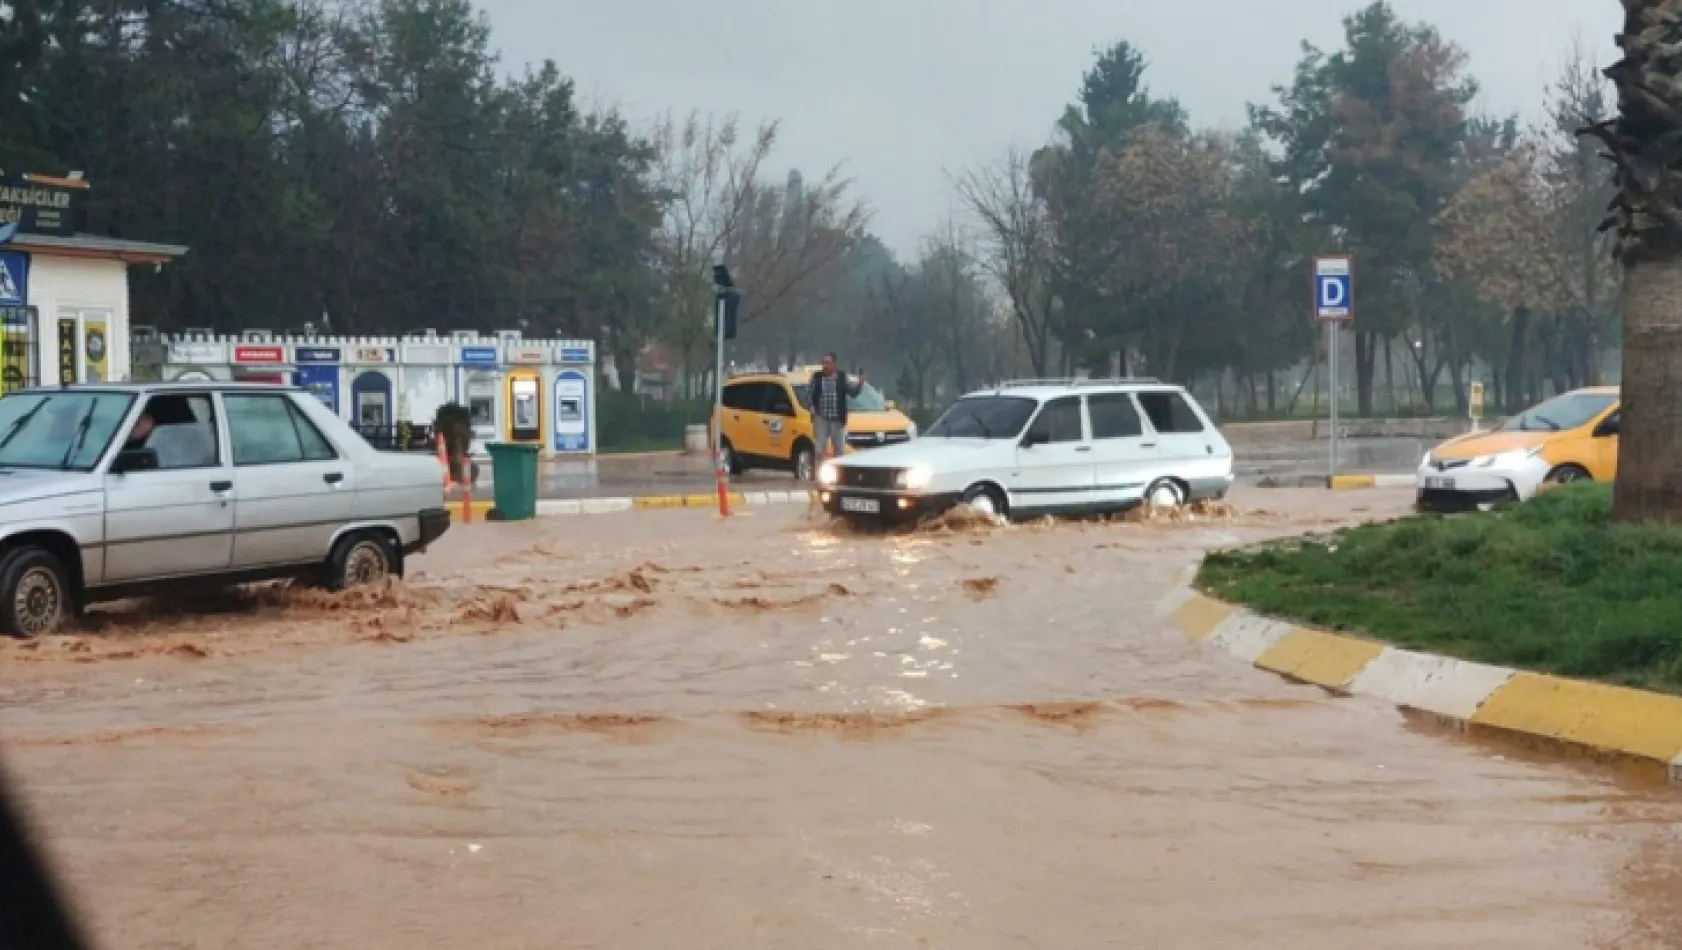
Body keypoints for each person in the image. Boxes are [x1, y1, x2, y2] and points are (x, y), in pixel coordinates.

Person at [807, 353, 862, 464]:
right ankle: (819, 475)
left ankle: (838, 475)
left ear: (834, 364)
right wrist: (812, 408)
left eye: (828, 363)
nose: (825, 366)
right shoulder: (817, 377)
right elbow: (809, 394)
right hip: (821, 419)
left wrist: (860, 383)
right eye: (824, 363)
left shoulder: (842, 377)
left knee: (839, 451)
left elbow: (852, 392)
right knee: (819, 449)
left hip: (837, 420)